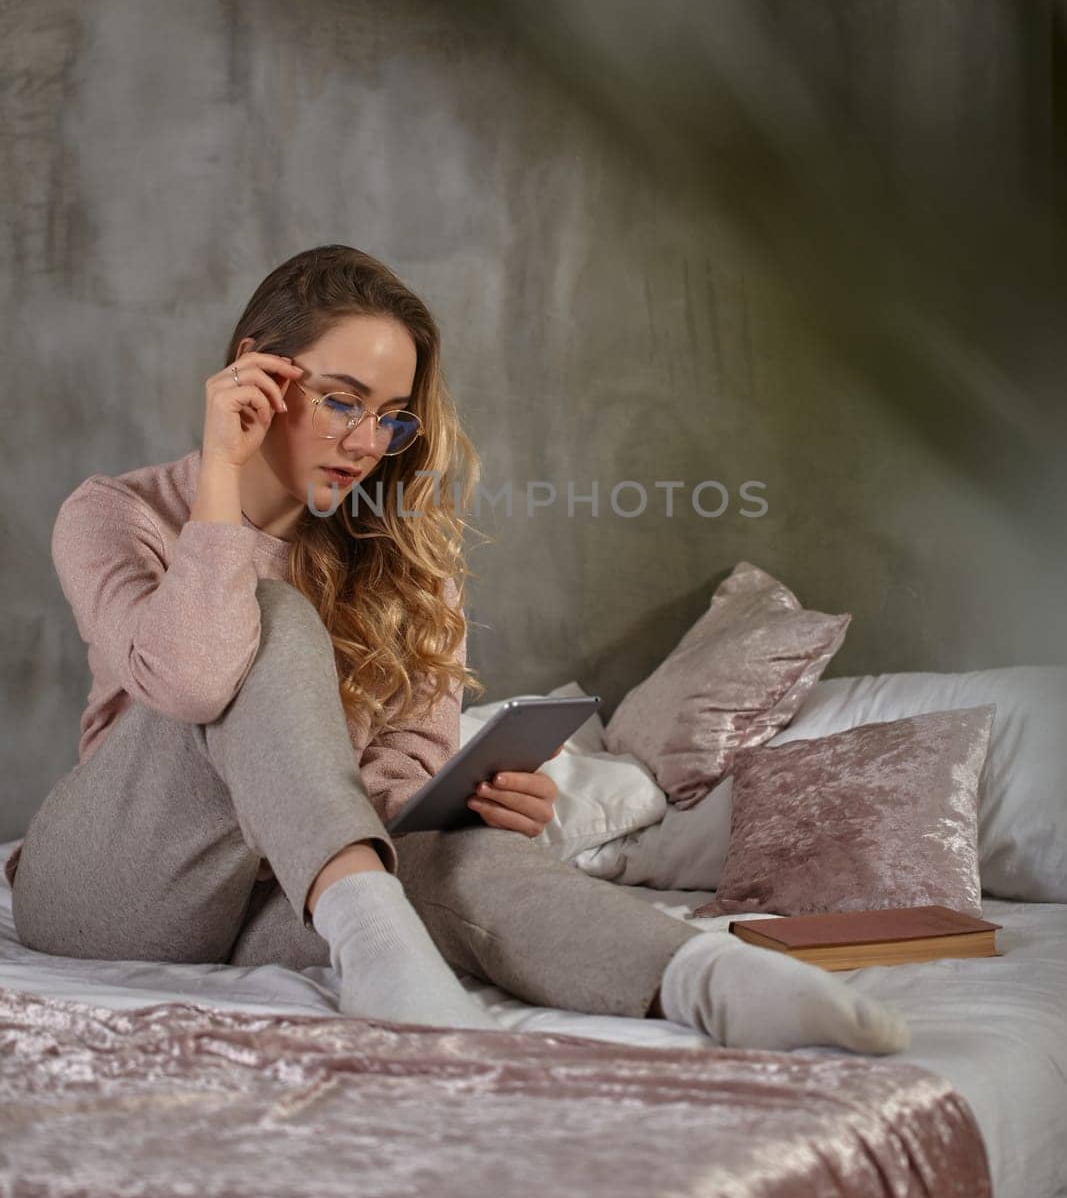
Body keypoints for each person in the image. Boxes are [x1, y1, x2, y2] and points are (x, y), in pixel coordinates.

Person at [8, 243, 910, 1054]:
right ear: (255, 372)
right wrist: (218, 482)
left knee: (463, 866)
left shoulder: (401, 555)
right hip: (113, 886)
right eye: (341, 403)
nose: (367, 444)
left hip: (274, 895)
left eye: (391, 416)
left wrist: (460, 807)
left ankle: (710, 982)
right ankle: (376, 942)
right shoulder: (116, 514)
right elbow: (199, 679)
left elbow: (401, 769)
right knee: (276, 620)